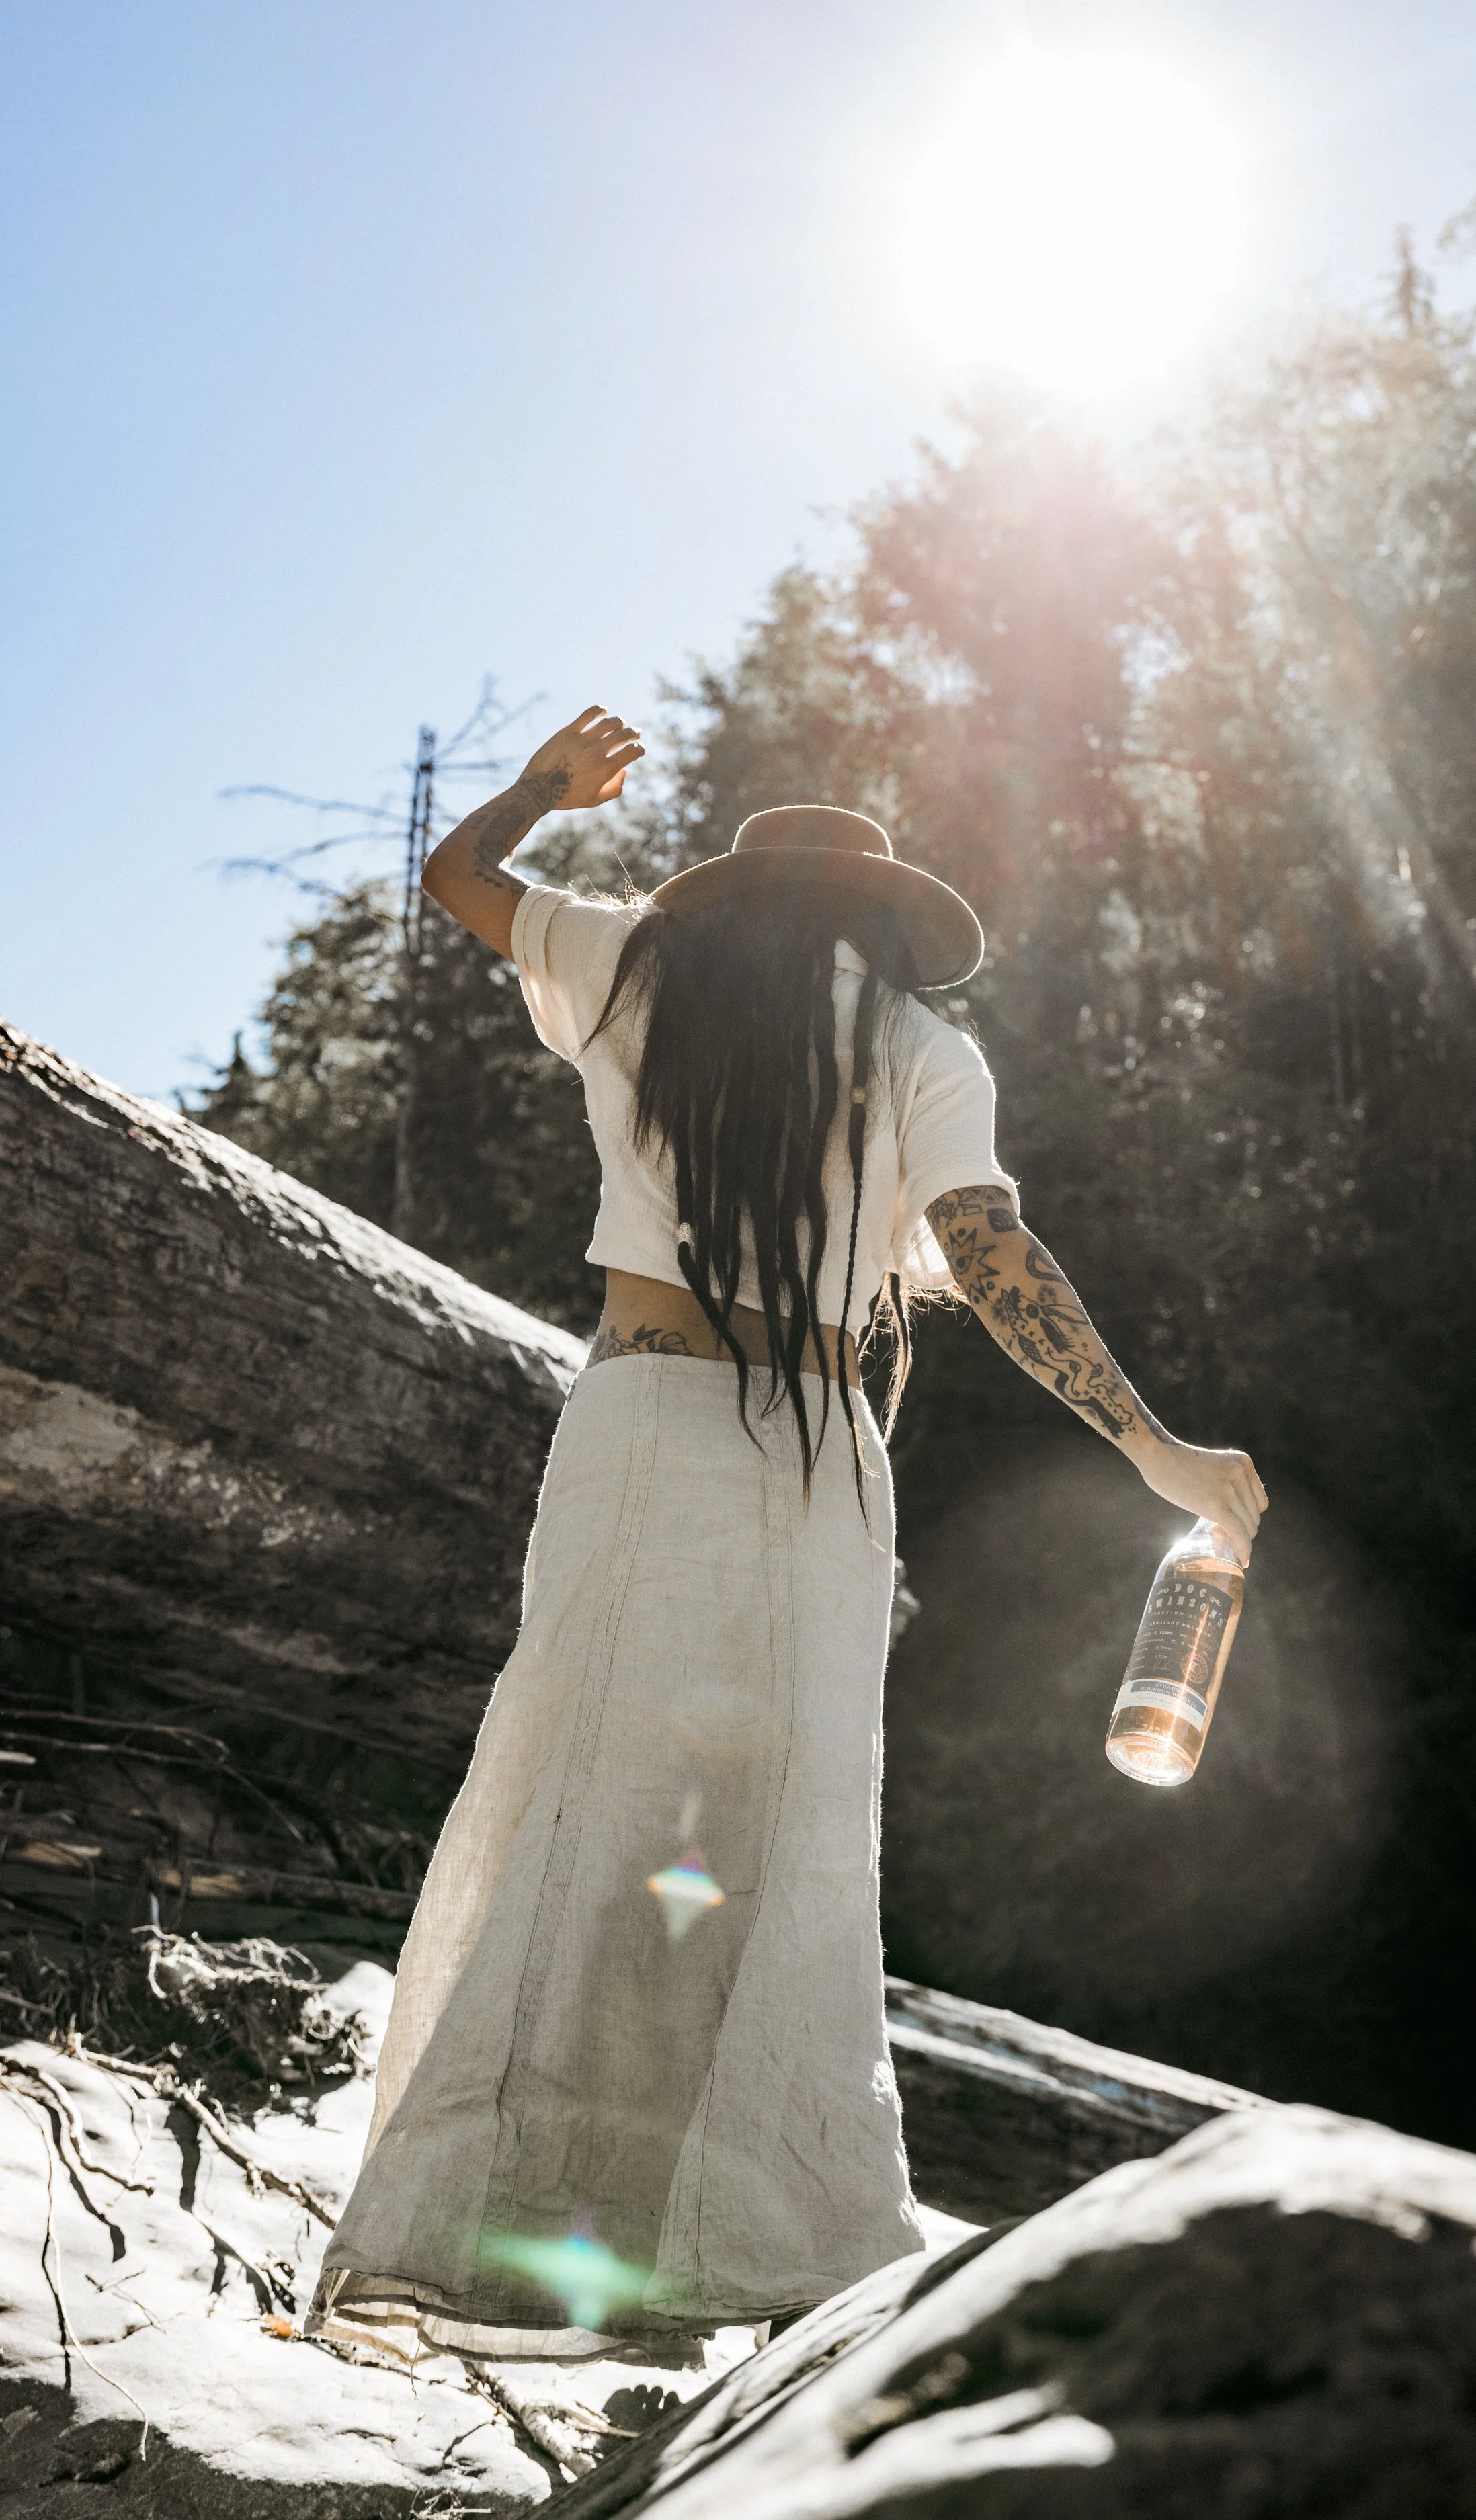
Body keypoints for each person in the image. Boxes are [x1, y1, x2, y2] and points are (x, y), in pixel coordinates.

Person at [307, 706, 1266, 2365]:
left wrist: (546, 786)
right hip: (815, 1458)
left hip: (637, 1422)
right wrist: (1157, 1450)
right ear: (881, 926)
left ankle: (481, 2252)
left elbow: (458, 880)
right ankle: (730, 2257)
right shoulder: (918, 1045)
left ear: (730, 905)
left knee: (572, 1799)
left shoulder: (630, 969)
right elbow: (988, 1249)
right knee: (782, 1848)